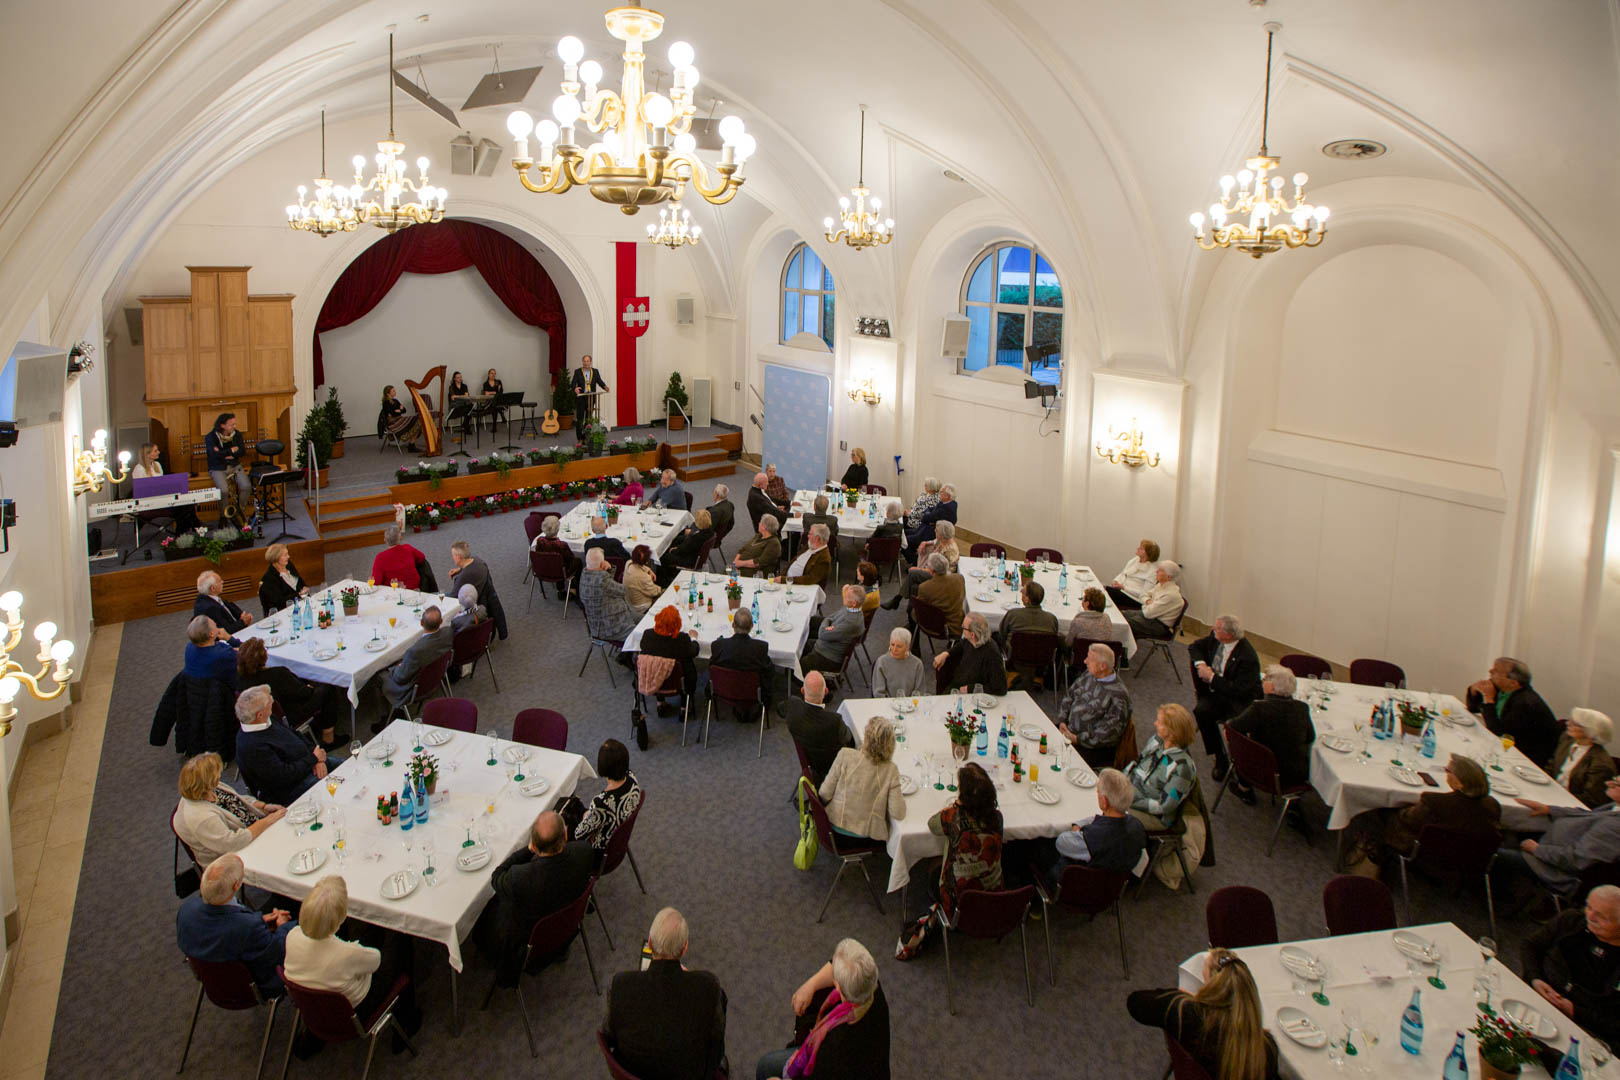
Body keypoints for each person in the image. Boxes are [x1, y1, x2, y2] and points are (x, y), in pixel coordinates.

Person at [283, 875, 423, 1050]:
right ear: (340, 920)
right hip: (356, 1012)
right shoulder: (345, 954)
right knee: (400, 941)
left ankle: (376, 924)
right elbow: (376, 961)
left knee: (371, 933)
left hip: (315, 1012)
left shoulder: (292, 936)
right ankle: (407, 1019)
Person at [602, 908, 728, 1080]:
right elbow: (715, 1036)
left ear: (650, 945)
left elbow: (608, 1035)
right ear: (684, 949)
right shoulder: (707, 986)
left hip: (633, 1072)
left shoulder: (620, 985)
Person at [473, 810, 595, 985]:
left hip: (528, 943)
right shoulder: (584, 851)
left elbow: (497, 877)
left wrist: (527, 850)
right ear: (566, 835)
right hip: (566, 925)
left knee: (488, 910)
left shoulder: (521, 878)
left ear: (535, 846)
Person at [895, 762, 1003, 960]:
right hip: (995, 897)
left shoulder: (953, 817)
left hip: (956, 902)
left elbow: (931, 825)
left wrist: (955, 806)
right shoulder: (997, 818)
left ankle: (938, 905)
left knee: (934, 858)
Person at [1126, 947, 1281, 1080]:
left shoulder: (1185, 1013)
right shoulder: (1266, 1048)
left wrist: (1190, 998)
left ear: (1211, 989)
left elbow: (1135, 1002)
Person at [1342, 754, 1500, 879]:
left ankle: (1373, 856)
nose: (1446, 772)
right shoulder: (1493, 805)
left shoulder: (1435, 802)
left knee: (1383, 810)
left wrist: (1407, 806)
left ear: (1460, 784)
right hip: (1470, 856)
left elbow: (1407, 820)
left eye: (1448, 771)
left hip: (1423, 849)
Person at [755, 938, 890, 1080]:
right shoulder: (871, 986)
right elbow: (835, 964)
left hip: (832, 1070)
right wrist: (811, 985)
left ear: (838, 987)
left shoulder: (837, 1048)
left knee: (765, 1067)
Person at [176, 855, 294, 998]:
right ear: (236, 886)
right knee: (302, 925)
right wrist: (283, 926)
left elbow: (225, 934)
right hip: (257, 986)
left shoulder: (185, 911)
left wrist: (260, 922)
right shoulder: (247, 927)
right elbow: (278, 952)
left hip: (215, 984)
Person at [1519, 885, 1620, 1049]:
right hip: (1535, 998)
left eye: (1601, 916)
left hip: (1583, 1033)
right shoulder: (1572, 921)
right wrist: (1534, 978)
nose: (1590, 917)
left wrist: (1575, 1011)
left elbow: (1615, 1024)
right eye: (1589, 907)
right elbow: (1531, 946)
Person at [1495, 776, 1620, 899]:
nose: (1608, 783)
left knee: (1489, 848)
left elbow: (1577, 860)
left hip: (1555, 870)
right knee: (1505, 831)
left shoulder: (1615, 826)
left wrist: (1537, 849)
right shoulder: (1614, 807)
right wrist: (1549, 809)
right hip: (1551, 847)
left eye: (1616, 784)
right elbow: (1586, 815)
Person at [173, 751, 286, 868]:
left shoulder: (211, 788)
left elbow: (238, 800)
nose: (220, 777)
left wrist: (263, 807)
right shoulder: (201, 817)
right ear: (207, 783)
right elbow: (232, 843)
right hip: (233, 855)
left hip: (253, 829)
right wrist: (267, 822)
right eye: (217, 776)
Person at [1187, 614, 1263, 781]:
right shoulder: (1215, 639)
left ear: (1229, 635)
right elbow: (1194, 647)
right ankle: (1219, 756)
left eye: (1217, 628)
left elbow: (1238, 691)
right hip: (1216, 692)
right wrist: (1201, 664)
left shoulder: (1247, 657)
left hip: (1236, 701)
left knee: (1230, 722)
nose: (1213, 629)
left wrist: (1212, 678)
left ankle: (1242, 770)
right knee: (1201, 711)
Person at [1225, 665, 1316, 805]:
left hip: (1262, 772)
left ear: (1272, 687)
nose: (1262, 681)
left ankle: (1244, 788)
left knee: (1241, 743)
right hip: (1294, 775)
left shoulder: (1259, 708)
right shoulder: (1303, 708)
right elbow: (1310, 737)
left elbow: (1232, 728)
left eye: (1265, 679)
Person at [236, 637, 347, 750]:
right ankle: (329, 738)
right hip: (290, 714)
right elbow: (303, 694)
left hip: (267, 717)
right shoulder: (277, 674)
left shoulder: (241, 680)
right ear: (263, 657)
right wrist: (309, 688)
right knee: (328, 688)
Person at [1466, 657, 1563, 771]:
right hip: (1505, 748)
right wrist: (1474, 690)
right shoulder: (1503, 689)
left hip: (1525, 760)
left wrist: (1488, 699)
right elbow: (1473, 708)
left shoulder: (1526, 703)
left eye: (1496, 671)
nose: (1490, 672)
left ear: (1513, 682)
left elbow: (1498, 732)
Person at [234, 686, 326, 805]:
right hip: (288, 790)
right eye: (269, 702)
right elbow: (284, 776)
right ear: (260, 715)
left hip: (306, 764)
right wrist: (313, 759)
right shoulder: (252, 746)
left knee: (350, 766)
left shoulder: (268, 719)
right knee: (337, 784)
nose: (272, 701)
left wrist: (317, 756)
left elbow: (295, 734)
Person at [819, 717, 906, 840]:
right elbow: (898, 813)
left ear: (866, 737)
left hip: (835, 824)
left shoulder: (845, 755)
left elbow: (824, 793)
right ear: (891, 744)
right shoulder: (891, 770)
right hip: (866, 834)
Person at [1052, 768, 1148, 877]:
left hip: (1081, 884)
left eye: (1098, 792)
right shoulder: (1137, 826)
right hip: (1114, 885)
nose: (1097, 793)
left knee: (1042, 846)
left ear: (1104, 801)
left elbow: (1060, 843)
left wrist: (1076, 829)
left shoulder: (1091, 839)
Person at [373, 606, 454, 728]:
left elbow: (400, 678)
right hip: (435, 677)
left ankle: (386, 717)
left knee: (378, 676)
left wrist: (395, 668)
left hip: (413, 689)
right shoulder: (448, 633)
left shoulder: (415, 652)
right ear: (441, 621)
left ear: (421, 623)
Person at [1056, 643, 1132, 768]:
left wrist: (1077, 739)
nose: (1085, 661)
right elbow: (1070, 695)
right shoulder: (1089, 674)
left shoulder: (1119, 697)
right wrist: (1062, 721)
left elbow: (1106, 734)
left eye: (1089, 659)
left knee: (1059, 761)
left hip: (1092, 747)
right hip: (1069, 731)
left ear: (1102, 666)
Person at [1125, 704, 1199, 830]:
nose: (1155, 723)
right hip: (1129, 793)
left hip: (1154, 816)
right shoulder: (1156, 741)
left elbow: (1163, 806)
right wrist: (1119, 781)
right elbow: (1136, 765)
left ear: (1172, 732)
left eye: (1159, 722)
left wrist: (1128, 800)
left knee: (1110, 814)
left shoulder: (1183, 768)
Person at [571, 739, 643, 858]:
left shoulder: (601, 803)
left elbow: (578, 835)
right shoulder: (632, 778)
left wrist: (586, 815)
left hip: (600, 853)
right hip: (618, 837)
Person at [784, 672, 853, 785]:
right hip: (832, 767)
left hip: (808, 762)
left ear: (802, 690)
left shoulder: (792, 706)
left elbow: (780, 709)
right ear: (826, 692)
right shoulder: (834, 721)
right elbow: (848, 738)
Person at [711, 609, 775, 718]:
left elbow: (711, 668)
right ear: (751, 626)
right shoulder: (760, 648)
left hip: (725, 690)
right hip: (754, 694)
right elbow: (770, 672)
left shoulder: (718, 646)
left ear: (733, 625)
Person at [1549, 709, 1618, 808]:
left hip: (1568, 806)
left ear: (1591, 731)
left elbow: (1591, 800)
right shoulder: (1567, 740)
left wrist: (1555, 798)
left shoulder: (1601, 763)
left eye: (1575, 723)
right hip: (1551, 790)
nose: (1567, 723)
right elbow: (1552, 764)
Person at [640, 605, 700, 712]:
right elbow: (694, 651)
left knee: (655, 662)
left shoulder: (647, 635)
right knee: (687, 663)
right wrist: (693, 638)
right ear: (678, 623)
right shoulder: (681, 639)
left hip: (654, 679)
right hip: (678, 682)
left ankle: (660, 703)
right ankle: (684, 707)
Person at [932, 612, 1007, 695]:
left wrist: (970, 689)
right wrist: (946, 653)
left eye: (964, 627)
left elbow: (1000, 689)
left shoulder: (992, 655)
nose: (962, 629)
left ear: (972, 635)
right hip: (958, 683)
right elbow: (961, 645)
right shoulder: (970, 641)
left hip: (972, 695)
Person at [448, 539, 508, 640]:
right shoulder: (478, 561)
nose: (452, 558)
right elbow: (469, 567)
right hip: (484, 597)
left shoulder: (463, 577)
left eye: (453, 556)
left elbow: (453, 598)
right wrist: (459, 569)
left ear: (458, 557)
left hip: (469, 602)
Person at [801, 584, 865, 677]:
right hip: (827, 644)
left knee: (799, 666)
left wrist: (828, 626)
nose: (843, 597)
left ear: (854, 603)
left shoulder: (851, 623)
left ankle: (809, 687)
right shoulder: (850, 608)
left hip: (829, 656)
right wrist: (828, 624)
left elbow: (822, 634)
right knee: (802, 643)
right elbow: (830, 617)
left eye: (846, 597)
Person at [133, 441, 200, 528]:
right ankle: (191, 529)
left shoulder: (157, 465)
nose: (159, 452)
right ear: (147, 454)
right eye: (156, 451)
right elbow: (141, 489)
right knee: (182, 508)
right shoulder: (139, 469)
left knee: (187, 503)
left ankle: (188, 530)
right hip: (149, 501)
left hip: (162, 497)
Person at [579, 548, 640, 644]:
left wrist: (606, 571)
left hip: (600, 622)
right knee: (643, 634)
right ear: (602, 563)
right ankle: (630, 656)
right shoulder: (602, 579)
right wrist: (610, 568)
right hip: (611, 627)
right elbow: (622, 590)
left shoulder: (584, 574)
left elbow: (608, 587)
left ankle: (626, 654)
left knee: (645, 620)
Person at [204, 412, 252, 521]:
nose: (234, 427)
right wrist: (231, 450)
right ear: (222, 425)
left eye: (234, 424)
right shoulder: (211, 437)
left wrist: (226, 453)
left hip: (234, 466)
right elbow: (214, 455)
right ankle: (223, 516)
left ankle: (239, 511)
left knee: (246, 486)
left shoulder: (237, 434)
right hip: (217, 468)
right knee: (223, 491)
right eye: (231, 425)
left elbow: (242, 451)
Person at [994, 579, 1060, 657]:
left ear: (1027, 599)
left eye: (1022, 592)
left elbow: (1002, 634)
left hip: (1015, 660)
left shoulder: (1013, 614)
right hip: (1041, 663)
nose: (1021, 592)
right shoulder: (1052, 619)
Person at [1123, 560, 1183, 641]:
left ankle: (1122, 648)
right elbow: (1143, 595)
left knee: (1124, 622)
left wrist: (1147, 603)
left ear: (1168, 577)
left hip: (1158, 625)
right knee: (1122, 614)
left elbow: (1148, 613)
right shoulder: (1160, 585)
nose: (1156, 571)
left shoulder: (1170, 595)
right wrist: (1149, 602)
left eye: (1161, 570)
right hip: (1151, 617)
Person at [1107, 539, 1162, 612]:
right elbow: (1123, 573)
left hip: (1134, 598)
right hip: (1122, 591)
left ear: (1147, 553)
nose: (1138, 548)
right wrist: (1116, 581)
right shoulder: (1135, 560)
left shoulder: (1152, 571)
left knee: (1107, 592)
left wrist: (1123, 587)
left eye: (1141, 548)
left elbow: (1145, 594)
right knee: (1104, 591)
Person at [660, 510, 714, 584]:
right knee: (678, 539)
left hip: (689, 560)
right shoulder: (710, 531)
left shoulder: (696, 538)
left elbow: (682, 550)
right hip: (694, 554)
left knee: (663, 556)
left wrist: (673, 550)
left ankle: (663, 581)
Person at [370, 520, 427, 590]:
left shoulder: (380, 557)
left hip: (394, 593)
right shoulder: (408, 548)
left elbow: (376, 582)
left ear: (385, 540)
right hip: (415, 589)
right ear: (400, 538)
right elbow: (422, 558)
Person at [904, 484, 957, 558]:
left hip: (931, 533)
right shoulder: (944, 503)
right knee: (903, 533)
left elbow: (927, 517)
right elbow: (929, 510)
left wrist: (929, 516)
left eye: (941, 492)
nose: (939, 493)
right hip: (925, 527)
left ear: (947, 496)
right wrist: (929, 516)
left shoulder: (947, 508)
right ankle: (917, 557)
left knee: (903, 540)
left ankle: (913, 559)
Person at [194, 569, 253, 634]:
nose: (222, 582)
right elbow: (226, 632)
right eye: (219, 581)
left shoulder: (206, 597)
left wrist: (244, 618)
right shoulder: (210, 608)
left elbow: (235, 612)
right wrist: (243, 622)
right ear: (213, 588)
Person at [873, 628, 928, 698]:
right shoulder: (881, 662)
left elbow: (919, 691)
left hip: (910, 705)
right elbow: (879, 693)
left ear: (907, 647)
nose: (895, 649)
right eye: (892, 645)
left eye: (899, 646)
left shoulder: (917, 664)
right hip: (887, 704)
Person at [184, 616, 239, 683]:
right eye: (215, 624)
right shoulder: (224, 654)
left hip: (194, 689)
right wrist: (229, 638)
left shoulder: (189, 647)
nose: (217, 626)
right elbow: (248, 652)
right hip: (222, 690)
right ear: (211, 634)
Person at [258, 542, 308, 616]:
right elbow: (279, 602)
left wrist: (304, 587)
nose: (288, 556)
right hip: (283, 614)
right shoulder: (269, 579)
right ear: (276, 558)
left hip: (300, 606)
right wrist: (298, 594)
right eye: (285, 555)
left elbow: (300, 581)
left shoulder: (289, 565)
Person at [529, 513, 581, 579]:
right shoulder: (561, 545)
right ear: (557, 529)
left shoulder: (540, 541)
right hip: (560, 572)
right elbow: (571, 559)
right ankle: (573, 587)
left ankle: (560, 587)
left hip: (543, 569)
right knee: (578, 561)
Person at [733, 514, 783, 578]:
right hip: (739, 568)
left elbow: (759, 562)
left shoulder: (773, 543)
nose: (758, 523)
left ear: (763, 527)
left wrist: (740, 564)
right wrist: (735, 564)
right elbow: (742, 550)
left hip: (754, 574)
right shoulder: (758, 536)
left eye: (760, 522)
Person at [377, 384, 422, 450]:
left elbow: (404, 410)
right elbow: (391, 413)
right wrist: (397, 411)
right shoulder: (385, 403)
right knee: (416, 419)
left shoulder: (396, 401)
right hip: (393, 423)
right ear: (388, 394)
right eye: (393, 391)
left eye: (394, 391)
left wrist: (398, 411)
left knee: (419, 420)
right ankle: (409, 443)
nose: (395, 392)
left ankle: (411, 444)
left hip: (399, 419)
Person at [799, 494, 841, 563]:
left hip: (808, 548)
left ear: (814, 507)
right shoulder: (833, 520)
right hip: (827, 550)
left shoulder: (807, 517)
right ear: (827, 507)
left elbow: (804, 527)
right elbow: (836, 532)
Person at [623, 544, 663, 614]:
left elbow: (641, 566)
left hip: (629, 602)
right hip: (641, 607)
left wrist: (649, 570)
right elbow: (654, 592)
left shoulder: (628, 563)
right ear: (647, 561)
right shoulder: (644, 577)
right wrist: (662, 589)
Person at [570, 353, 609, 421]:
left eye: (587, 361)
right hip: (581, 397)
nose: (586, 363)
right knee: (580, 417)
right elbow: (573, 383)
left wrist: (605, 386)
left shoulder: (595, 371)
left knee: (589, 417)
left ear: (590, 362)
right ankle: (579, 432)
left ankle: (587, 431)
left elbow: (599, 381)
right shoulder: (578, 371)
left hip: (591, 397)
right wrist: (575, 388)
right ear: (582, 362)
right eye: (584, 361)